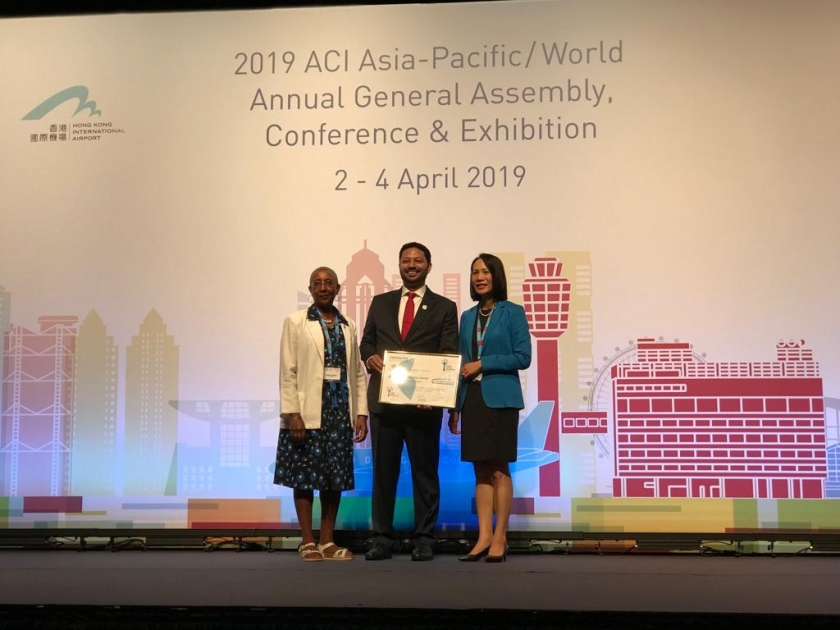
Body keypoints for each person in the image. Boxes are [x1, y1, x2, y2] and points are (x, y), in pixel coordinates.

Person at [360, 242, 458, 561]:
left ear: (429, 266)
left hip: (423, 407)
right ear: (399, 265)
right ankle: (381, 538)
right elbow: (366, 343)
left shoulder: (444, 307)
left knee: (425, 474)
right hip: (384, 404)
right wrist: (370, 357)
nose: (412, 265)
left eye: (418, 260)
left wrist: (435, 394)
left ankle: (425, 538)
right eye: (406, 260)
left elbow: (448, 354)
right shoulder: (381, 303)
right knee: (383, 473)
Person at [274, 266, 369, 561]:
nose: (324, 287)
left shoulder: (348, 325)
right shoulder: (296, 321)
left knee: (334, 477)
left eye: (329, 283)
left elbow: (356, 373)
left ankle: (327, 541)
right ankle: (307, 541)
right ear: (311, 289)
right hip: (306, 412)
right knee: (303, 476)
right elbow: (287, 370)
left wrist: (361, 413)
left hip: (339, 412)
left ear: (338, 288)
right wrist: (293, 413)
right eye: (318, 283)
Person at [448, 253, 532, 563]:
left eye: (485, 272)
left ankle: (500, 536)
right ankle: (483, 536)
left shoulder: (513, 312)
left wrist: (483, 363)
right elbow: (461, 363)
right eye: (475, 273)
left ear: (496, 276)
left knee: (498, 469)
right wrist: (455, 406)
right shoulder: (468, 316)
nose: (480, 277)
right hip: (472, 399)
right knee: (480, 471)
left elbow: (523, 356)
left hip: (500, 400)